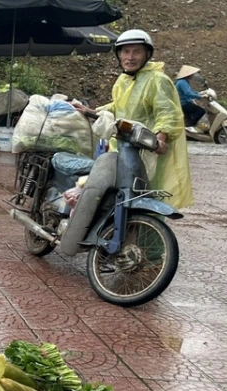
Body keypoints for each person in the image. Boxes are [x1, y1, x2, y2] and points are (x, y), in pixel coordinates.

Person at [66, 30, 191, 242]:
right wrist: (90, 111)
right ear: (118, 55)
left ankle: (150, 259)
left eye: (136, 52)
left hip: (147, 154)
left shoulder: (157, 80)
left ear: (147, 55)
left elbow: (167, 113)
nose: (130, 57)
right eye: (125, 52)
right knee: (113, 196)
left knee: (144, 200)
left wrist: (160, 139)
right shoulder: (123, 81)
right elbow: (118, 107)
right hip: (122, 148)